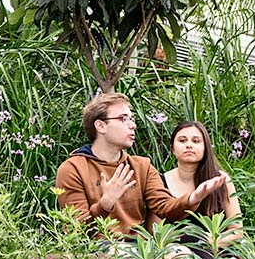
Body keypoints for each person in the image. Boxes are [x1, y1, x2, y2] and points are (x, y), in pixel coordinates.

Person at [53, 92, 225, 238]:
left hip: (139, 249)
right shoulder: (73, 169)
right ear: (100, 126)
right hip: (97, 252)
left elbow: (165, 208)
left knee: (180, 257)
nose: (133, 125)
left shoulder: (142, 166)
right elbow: (76, 229)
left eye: (132, 118)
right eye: (124, 119)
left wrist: (192, 198)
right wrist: (105, 204)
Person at [162, 121, 241, 257]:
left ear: (206, 148)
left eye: (196, 141)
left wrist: (207, 242)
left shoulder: (221, 180)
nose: (189, 145)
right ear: (172, 148)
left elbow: (237, 231)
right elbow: (155, 231)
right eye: (182, 140)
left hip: (219, 254)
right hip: (176, 257)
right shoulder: (160, 181)